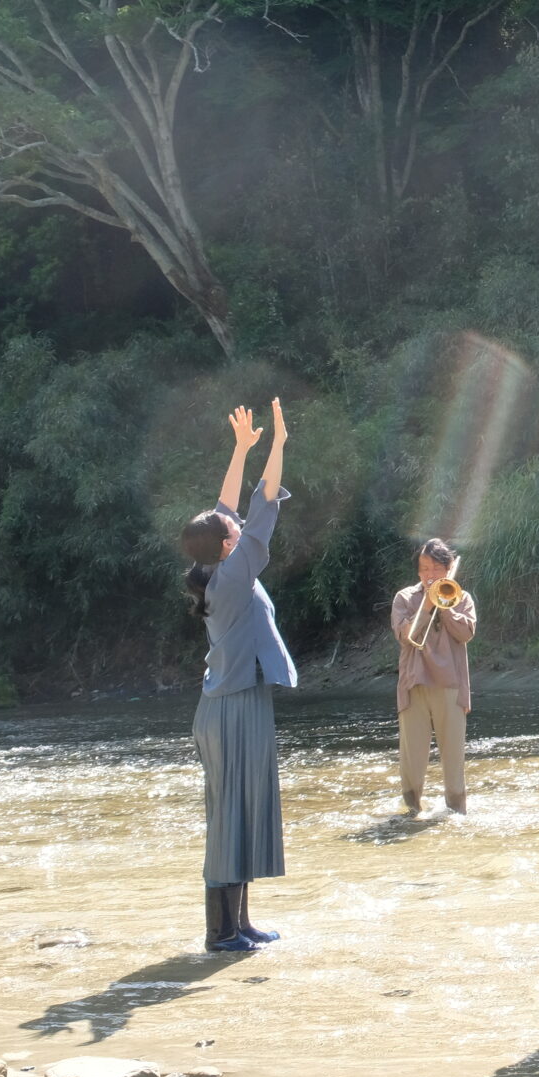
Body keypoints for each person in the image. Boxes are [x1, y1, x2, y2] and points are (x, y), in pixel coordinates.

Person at [180, 398, 300, 954]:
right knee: (230, 816)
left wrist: (239, 449)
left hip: (235, 700)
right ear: (230, 542)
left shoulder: (216, 564)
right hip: (231, 706)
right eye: (234, 526)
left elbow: (228, 504)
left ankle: (242, 924)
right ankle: (219, 933)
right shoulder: (233, 574)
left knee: (242, 810)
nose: (237, 520)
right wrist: (276, 446)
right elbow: (265, 500)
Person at [392, 537, 478, 816]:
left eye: (436, 569)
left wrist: (445, 605)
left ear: (449, 568)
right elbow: (406, 637)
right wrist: (427, 606)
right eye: (424, 568)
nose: (429, 575)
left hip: (451, 685)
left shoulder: (461, 598)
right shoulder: (404, 598)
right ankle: (411, 813)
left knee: (454, 760)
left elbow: (465, 634)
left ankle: (456, 814)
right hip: (414, 685)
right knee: (412, 761)